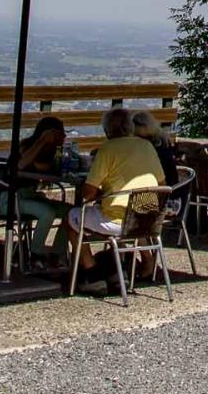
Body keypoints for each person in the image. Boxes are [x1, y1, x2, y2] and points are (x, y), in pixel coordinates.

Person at [64, 108, 165, 286]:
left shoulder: (107, 149)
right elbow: (161, 182)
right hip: (147, 218)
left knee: (70, 218)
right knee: (123, 210)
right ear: (130, 127)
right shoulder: (146, 146)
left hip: (118, 221)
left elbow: (88, 193)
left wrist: (103, 193)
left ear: (106, 130)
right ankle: (144, 262)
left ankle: (92, 272)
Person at [4, 115, 69, 264]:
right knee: (48, 211)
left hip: (31, 195)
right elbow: (21, 165)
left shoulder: (54, 153)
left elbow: (51, 170)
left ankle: (58, 253)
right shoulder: (26, 147)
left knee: (71, 213)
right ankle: (36, 254)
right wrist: (42, 141)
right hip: (12, 197)